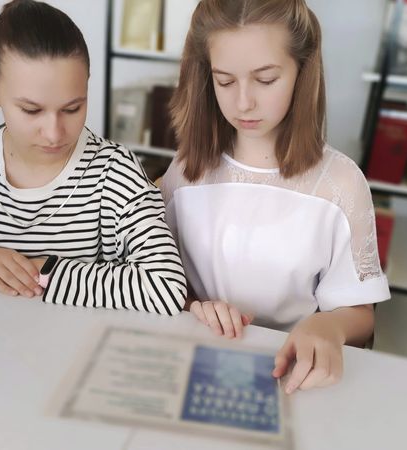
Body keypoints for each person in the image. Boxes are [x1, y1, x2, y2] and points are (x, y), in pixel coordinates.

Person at [0, 0, 186, 315]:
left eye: (72, 108)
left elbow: (167, 287)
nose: (53, 133)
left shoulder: (116, 173)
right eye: (31, 110)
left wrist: (41, 270)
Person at [161, 0, 391, 391]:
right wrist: (193, 307)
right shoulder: (186, 171)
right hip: (195, 363)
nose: (243, 102)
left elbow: (359, 311)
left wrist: (329, 325)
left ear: (303, 70)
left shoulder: (340, 184)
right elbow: (156, 277)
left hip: (291, 374)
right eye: (224, 81)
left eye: (266, 80)